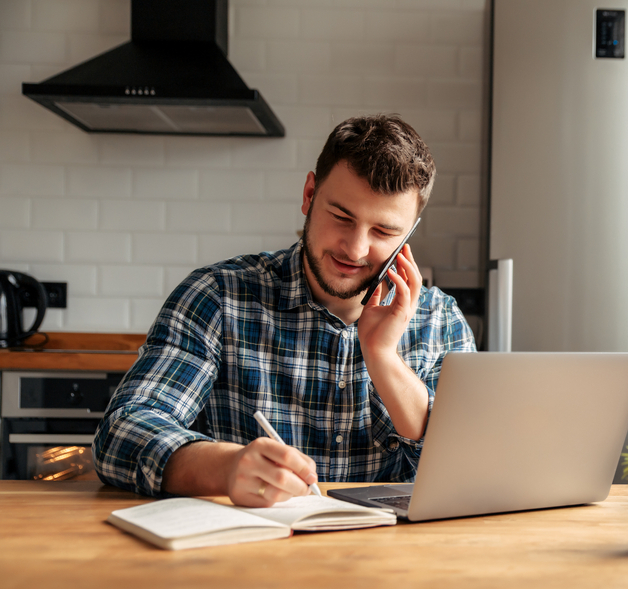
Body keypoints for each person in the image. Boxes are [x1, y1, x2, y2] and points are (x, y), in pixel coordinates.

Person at [93, 114, 477, 506]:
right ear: (310, 194)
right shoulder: (218, 296)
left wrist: (383, 359)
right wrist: (226, 467)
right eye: (342, 217)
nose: (356, 249)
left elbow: (474, 470)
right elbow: (122, 432)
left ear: (409, 233)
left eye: (384, 232)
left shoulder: (441, 321)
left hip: (392, 561)